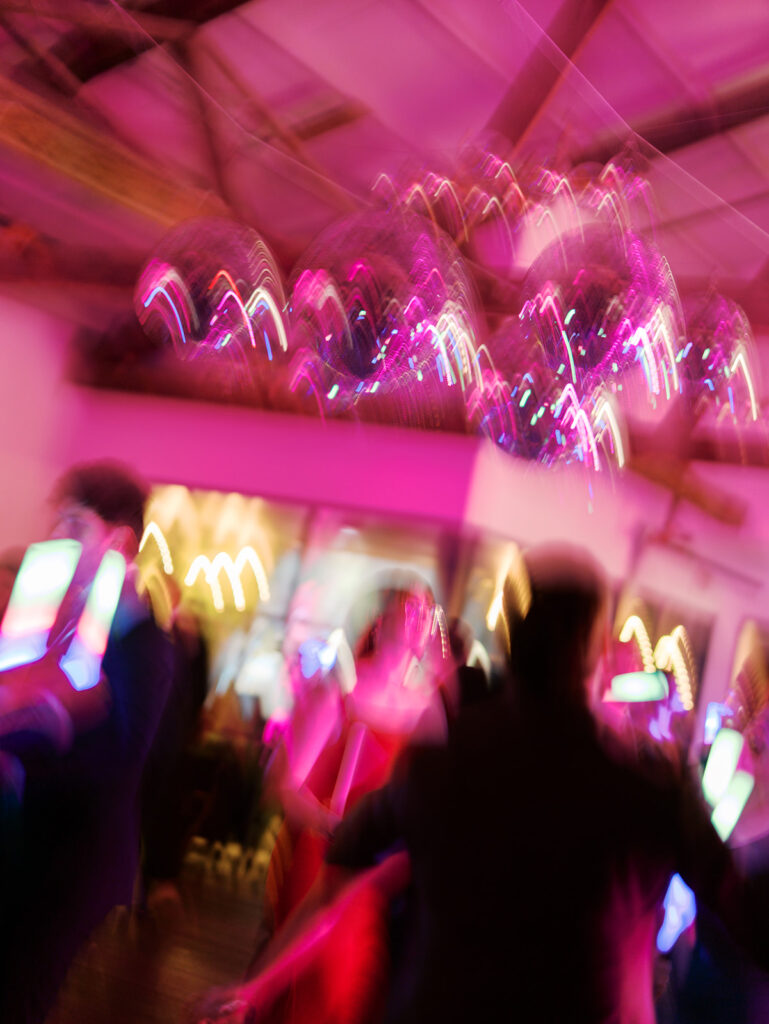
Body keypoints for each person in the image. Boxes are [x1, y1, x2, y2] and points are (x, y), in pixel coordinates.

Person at [320, 544, 769, 1024]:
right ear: (592, 654)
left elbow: (347, 851)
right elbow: (743, 914)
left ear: (512, 642)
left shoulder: (439, 770)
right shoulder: (647, 794)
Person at [0, 460, 174, 1023]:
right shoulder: (54, 616)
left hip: (74, 860)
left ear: (119, 541)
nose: (54, 539)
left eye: (73, 526)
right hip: (28, 838)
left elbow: (120, 761)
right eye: (58, 523)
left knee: (19, 992)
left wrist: (46, 722)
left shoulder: (142, 639)